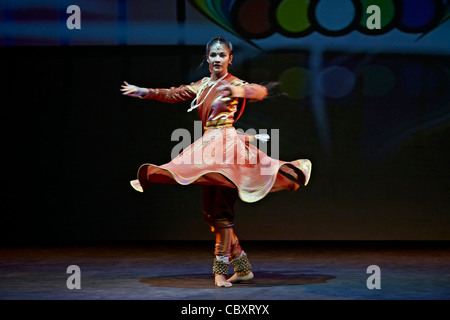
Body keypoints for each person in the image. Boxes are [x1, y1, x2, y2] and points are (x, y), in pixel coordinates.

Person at [121, 36, 311, 287]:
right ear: (207, 58)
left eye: (222, 55)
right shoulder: (202, 85)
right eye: (213, 55)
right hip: (209, 147)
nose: (217, 59)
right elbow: (173, 93)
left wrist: (238, 90)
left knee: (221, 212)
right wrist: (143, 92)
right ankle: (243, 267)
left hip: (228, 149)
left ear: (230, 59)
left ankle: (220, 271)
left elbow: (260, 91)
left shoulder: (235, 82)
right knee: (210, 212)